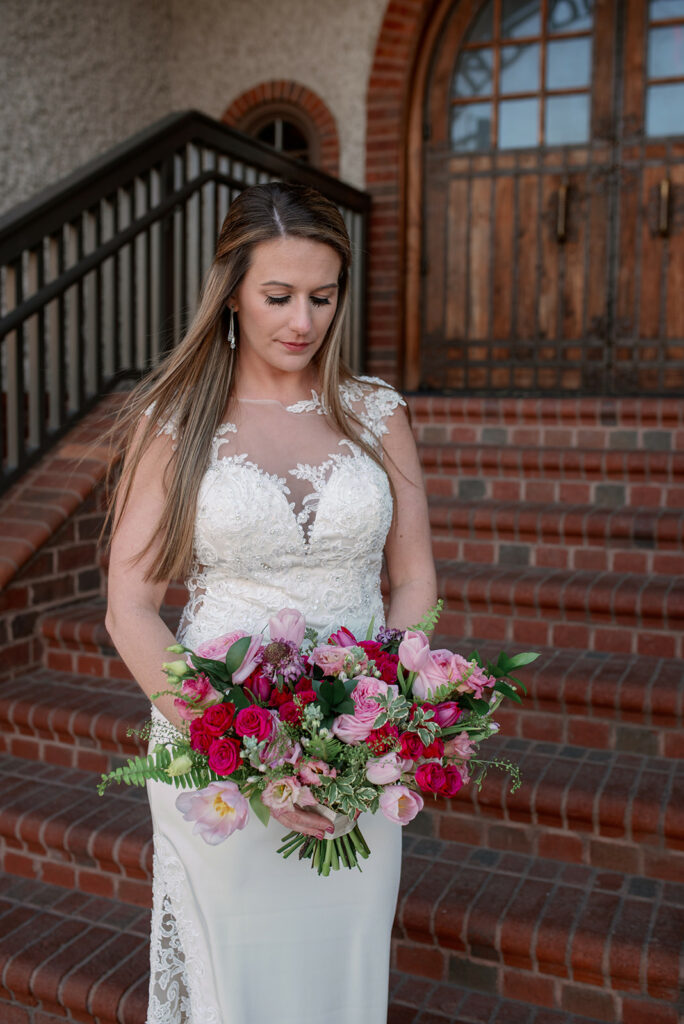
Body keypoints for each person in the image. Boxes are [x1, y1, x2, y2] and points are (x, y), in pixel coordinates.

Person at [104, 181, 437, 1024]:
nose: (303, 321)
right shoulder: (176, 419)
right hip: (215, 750)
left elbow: (417, 581)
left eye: (323, 297)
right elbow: (128, 608)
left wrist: (381, 715)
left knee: (342, 976)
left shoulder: (374, 413)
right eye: (278, 296)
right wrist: (247, 760)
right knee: (237, 988)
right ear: (231, 294)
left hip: (357, 756)